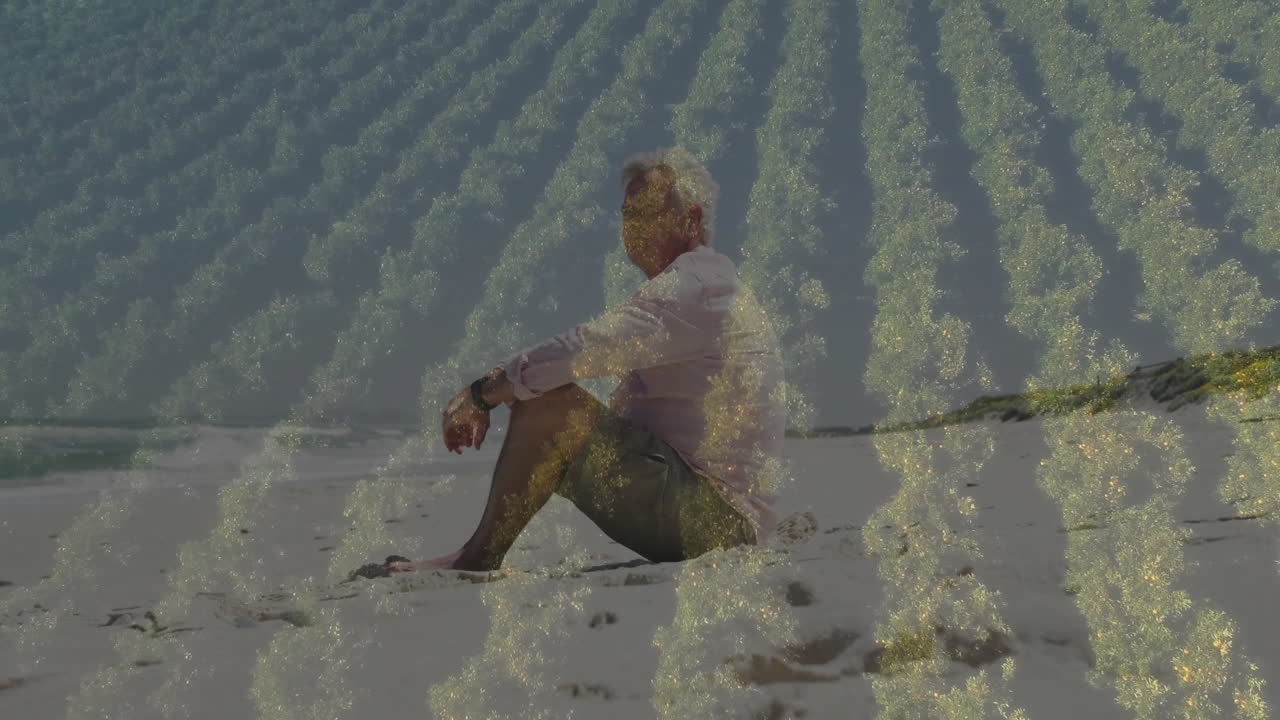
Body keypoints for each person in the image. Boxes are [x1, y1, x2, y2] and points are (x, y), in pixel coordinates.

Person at [399, 146, 786, 573]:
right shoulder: (707, 282)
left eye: (648, 212)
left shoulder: (694, 285)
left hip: (717, 524)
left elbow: (583, 349)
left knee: (548, 406)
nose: (633, 228)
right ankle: (479, 553)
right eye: (627, 215)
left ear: (690, 219)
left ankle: (477, 557)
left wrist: (483, 393)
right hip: (712, 515)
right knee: (550, 409)